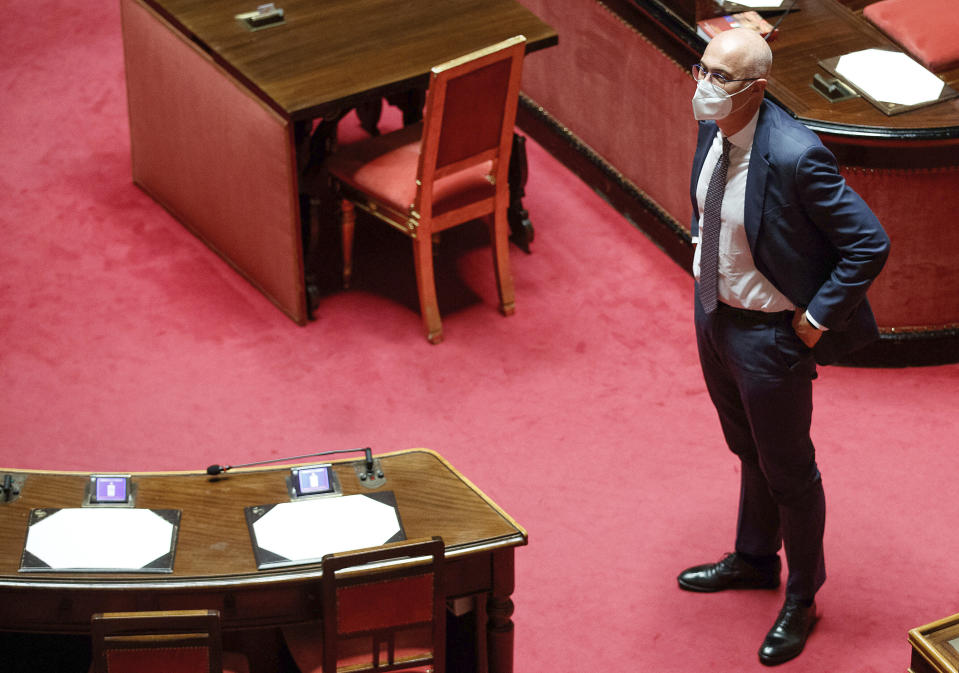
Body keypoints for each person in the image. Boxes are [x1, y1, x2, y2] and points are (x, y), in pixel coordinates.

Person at [678, 28, 890, 666]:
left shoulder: (798, 157)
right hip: (713, 312)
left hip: (770, 335)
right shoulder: (711, 128)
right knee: (748, 448)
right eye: (703, 70)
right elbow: (713, 213)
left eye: (721, 78)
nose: (704, 87)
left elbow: (868, 244)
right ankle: (753, 558)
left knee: (791, 471)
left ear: (757, 88)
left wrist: (816, 319)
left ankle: (802, 596)